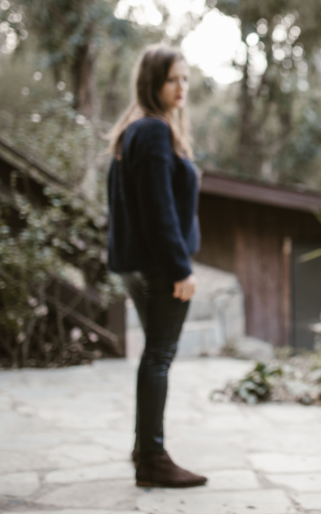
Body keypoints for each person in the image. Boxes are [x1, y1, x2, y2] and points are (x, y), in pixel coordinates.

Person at [106, 45, 206, 488]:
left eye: (185, 79)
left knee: (155, 355)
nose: (181, 87)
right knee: (159, 357)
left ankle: (144, 448)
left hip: (143, 266)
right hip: (158, 268)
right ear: (152, 83)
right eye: (172, 79)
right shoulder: (151, 132)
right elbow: (157, 210)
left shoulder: (141, 130)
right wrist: (180, 269)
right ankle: (152, 458)